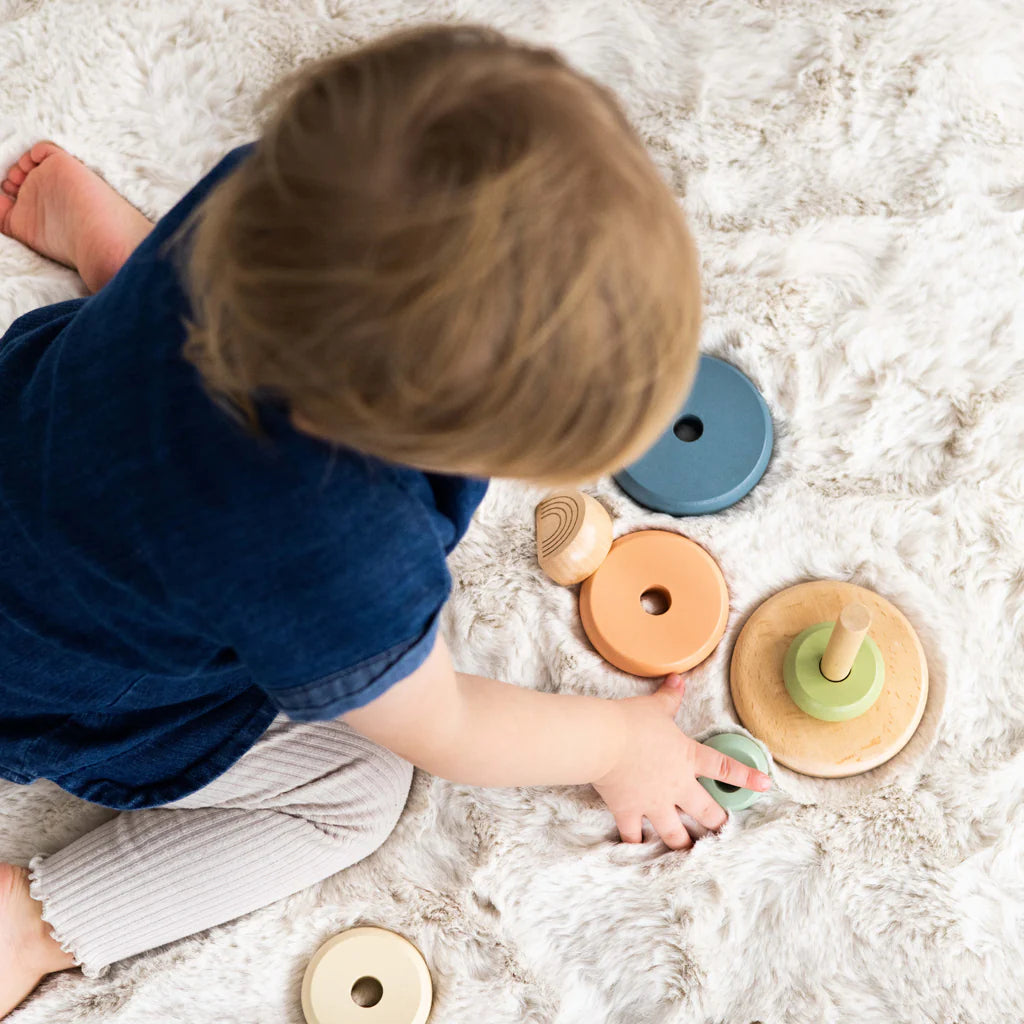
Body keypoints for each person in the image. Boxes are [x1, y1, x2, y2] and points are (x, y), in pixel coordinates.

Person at [0, 24, 770, 1016]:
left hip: (57, 433)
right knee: (351, 795)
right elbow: (448, 725)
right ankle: (33, 923)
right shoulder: (333, 547)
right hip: (55, 677)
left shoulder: (272, 195)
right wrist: (616, 745)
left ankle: (127, 265)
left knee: (152, 348)